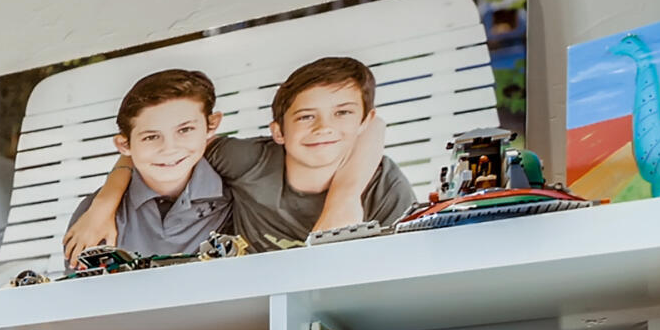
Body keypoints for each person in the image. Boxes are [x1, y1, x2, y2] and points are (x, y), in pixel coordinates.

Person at [65, 55, 416, 257]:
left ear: (364, 121)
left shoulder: (383, 184)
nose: (324, 128)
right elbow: (161, 149)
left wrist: (346, 197)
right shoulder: (247, 162)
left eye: (343, 113)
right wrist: (103, 203)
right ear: (278, 131)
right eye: (306, 117)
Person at [61, 68, 232, 259]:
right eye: (151, 137)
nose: (169, 148)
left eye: (185, 130)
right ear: (124, 145)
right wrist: (104, 204)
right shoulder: (93, 219)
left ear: (212, 125)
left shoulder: (239, 194)